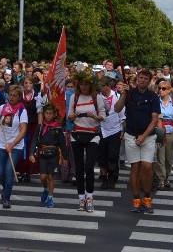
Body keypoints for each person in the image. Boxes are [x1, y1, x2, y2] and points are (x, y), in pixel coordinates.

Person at [115, 68, 160, 214]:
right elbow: (117, 109)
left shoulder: (153, 97)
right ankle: (136, 199)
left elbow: (154, 120)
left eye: (146, 79)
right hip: (130, 135)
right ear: (137, 79)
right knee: (135, 167)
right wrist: (123, 94)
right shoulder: (129, 93)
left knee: (147, 166)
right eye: (141, 78)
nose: (143, 80)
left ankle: (147, 198)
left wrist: (144, 136)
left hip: (148, 136)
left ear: (149, 81)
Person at [67, 70, 106, 212]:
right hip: (77, 134)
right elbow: (69, 116)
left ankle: (90, 197)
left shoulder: (97, 97)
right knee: (79, 167)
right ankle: (81, 199)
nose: (84, 87)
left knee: (89, 166)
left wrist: (94, 116)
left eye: (86, 84)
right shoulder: (74, 97)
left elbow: (103, 116)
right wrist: (73, 116)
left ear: (91, 85)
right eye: (81, 84)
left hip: (93, 134)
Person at [0, 85, 28, 209]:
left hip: (15, 146)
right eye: (10, 95)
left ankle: (6, 198)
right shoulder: (3, 108)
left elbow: (23, 131)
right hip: (0, 144)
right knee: (0, 172)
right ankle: (6, 189)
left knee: (9, 171)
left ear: (19, 97)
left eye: (15, 96)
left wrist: (12, 145)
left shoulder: (22, 111)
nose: (12, 97)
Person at [29, 102, 67, 208]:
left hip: (54, 155)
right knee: (43, 177)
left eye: (50, 113)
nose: (48, 115)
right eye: (46, 113)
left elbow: (62, 144)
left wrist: (65, 158)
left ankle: (50, 197)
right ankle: (45, 189)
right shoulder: (40, 127)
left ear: (54, 114)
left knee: (51, 176)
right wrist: (31, 153)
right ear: (44, 114)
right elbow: (34, 141)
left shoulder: (58, 128)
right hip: (43, 154)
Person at [97, 76, 124, 189]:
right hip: (101, 130)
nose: (100, 88)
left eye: (102, 86)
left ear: (108, 86)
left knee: (112, 157)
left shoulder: (117, 97)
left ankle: (112, 176)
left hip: (114, 130)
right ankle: (104, 178)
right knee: (101, 157)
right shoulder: (97, 97)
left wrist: (123, 130)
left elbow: (122, 116)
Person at [156, 80, 173, 189]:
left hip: (171, 130)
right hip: (159, 129)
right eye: (159, 88)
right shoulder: (156, 102)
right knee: (160, 156)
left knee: (169, 157)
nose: (161, 91)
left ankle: (166, 176)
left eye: (163, 88)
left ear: (169, 90)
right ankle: (161, 179)